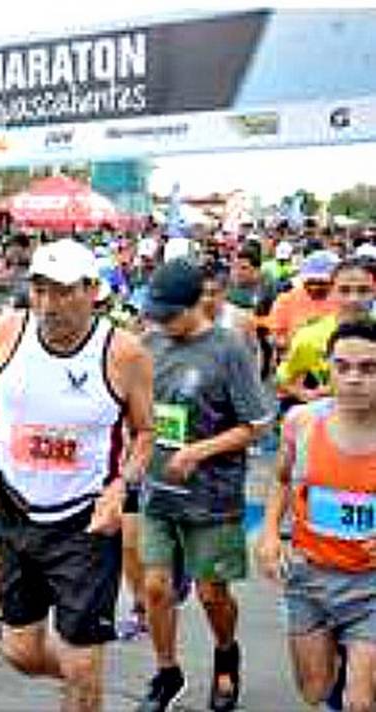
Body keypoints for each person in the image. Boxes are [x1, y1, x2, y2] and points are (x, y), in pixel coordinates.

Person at [0, 238, 154, 712]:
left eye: (62, 291)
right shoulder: (9, 329)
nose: (48, 305)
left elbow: (146, 433)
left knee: (81, 665)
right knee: (20, 653)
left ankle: (82, 681)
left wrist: (121, 486)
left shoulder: (124, 353)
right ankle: (81, 681)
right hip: (16, 511)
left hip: (85, 523)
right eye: (39, 290)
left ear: (93, 290)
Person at [137, 259, 272, 712]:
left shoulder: (228, 348)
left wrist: (198, 451)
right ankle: (166, 672)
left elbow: (255, 424)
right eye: (155, 313)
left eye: (169, 314)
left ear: (197, 303)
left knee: (212, 593)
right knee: (154, 587)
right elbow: (138, 409)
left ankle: (226, 656)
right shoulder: (149, 343)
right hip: (158, 491)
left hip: (212, 498)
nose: (160, 322)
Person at [257, 318, 376, 712]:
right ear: (329, 368)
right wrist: (271, 534)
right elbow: (282, 479)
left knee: (359, 702)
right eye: (343, 367)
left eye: (369, 368)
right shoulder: (302, 422)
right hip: (310, 577)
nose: (355, 378)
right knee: (315, 691)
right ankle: (344, 666)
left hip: (370, 585)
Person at [277, 257, 376, 410]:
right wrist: (303, 394)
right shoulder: (309, 336)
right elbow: (283, 377)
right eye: (344, 290)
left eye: (363, 290)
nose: (354, 299)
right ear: (332, 292)